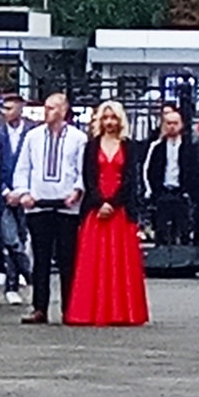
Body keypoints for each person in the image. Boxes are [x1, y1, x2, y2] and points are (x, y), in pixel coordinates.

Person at [67, 100, 149, 327]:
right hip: (95, 210)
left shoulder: (130, 146)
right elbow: (88, 177)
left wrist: (113, 203)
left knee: (120, 262)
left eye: (113, 118)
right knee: (93, 262)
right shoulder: (91, 146)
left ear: (120, 120)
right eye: (105, 118)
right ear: (99, 121)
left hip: (120, 211)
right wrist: (99, 202)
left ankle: (121, 311)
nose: (110, 122)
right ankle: (90, 311)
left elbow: (132, 179)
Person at [10, 91, 83, 325]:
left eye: (52, 108)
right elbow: (23, 167)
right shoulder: (33, 137)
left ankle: (70, 308)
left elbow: (82, 170)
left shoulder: (78, 138)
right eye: (46, 107)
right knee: (40, 259)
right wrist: (24, 192)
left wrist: (77, 190)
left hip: (66, 205)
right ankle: (39, 307)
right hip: (38, 204)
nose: (47, 112)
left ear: (63, 110)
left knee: (67, 259)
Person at [139, 105, 199, 249]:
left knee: (183, 230)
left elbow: (195, 171)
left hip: (181, 193)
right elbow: (150, 170)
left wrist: (189, 191)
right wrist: (153, 191)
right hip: (163, 192)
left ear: (181, 125)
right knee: (161, 230)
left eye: (175, 123)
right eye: (168, 123)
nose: (172, 127)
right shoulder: (157, 147)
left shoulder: (190, 147)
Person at [0, 93, 31, 307]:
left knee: (21, 237)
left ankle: (13, 285)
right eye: (3, 108)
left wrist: (24, 191)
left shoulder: (32, 131)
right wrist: (4, 190)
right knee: (8, 240)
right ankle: (26, 271)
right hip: (2, 193)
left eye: (11, 108)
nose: (6, 112)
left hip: (25, 194)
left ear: (21, 109)